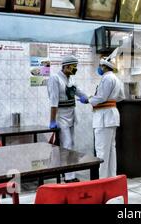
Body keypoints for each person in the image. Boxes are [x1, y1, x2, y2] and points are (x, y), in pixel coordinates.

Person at [47, 55, 88, 183]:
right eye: (74, 66)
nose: (75, 69)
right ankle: (67, 176)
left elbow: (78, 92)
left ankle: (71, 174)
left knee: (72, 145)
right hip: (61, 116)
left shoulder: (71, 79)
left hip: (71, 115)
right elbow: (54, 101)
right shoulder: (55, 78)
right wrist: (52, 120)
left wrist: (86, 98)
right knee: (67, 144)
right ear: (67, 66)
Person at [86, 49, 124, 178]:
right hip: (112, 116)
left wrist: (89, 100)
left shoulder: (106, 78)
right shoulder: (116, 79)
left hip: (104, 118)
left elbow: (101, 97)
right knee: (111, 151)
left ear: (104, 66)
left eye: (100, 65)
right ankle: (111, 178)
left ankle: (102, 180)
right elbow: (120, 97)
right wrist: (109, 100)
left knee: (102, 151)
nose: (99, 68)